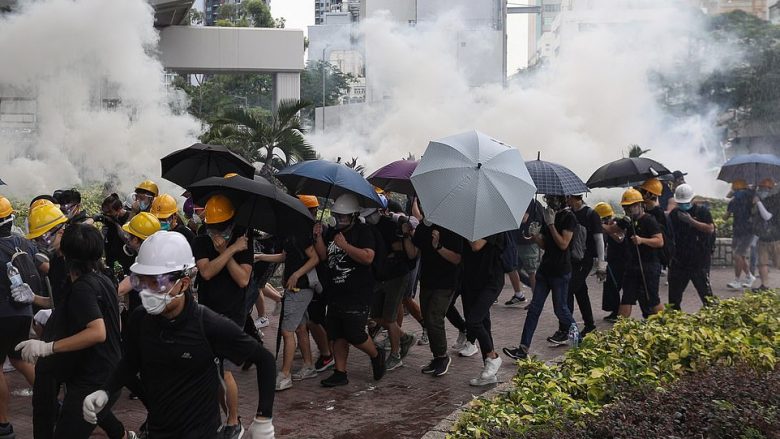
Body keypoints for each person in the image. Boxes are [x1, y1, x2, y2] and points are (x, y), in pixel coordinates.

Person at [81, 232, 276, 438]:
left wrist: (264, 418)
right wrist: (105, 390)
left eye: (156, 283)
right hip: (157, 431)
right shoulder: (140, 319)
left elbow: (265, 360)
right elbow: (131, 362)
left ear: (183, 283)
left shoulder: (207, 324)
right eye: (143, 282)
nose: (147, 292)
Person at [16, 223, 126, 439]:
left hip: (93, 380)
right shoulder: (103, 280)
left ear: (65, 253)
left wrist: (48, 347)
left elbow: (97, 332)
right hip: (103, 373)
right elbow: (115, 325)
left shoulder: (83, 287)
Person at [192, 195, 252, 439]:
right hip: (206, 312)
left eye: (220, 226)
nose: (215, 231)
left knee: (224, 369)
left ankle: (234, 421)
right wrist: (230, 251)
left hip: (232, 314)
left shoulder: (244, 239)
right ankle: (227, 415)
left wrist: (229, 248)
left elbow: (243, 279)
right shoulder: (200, 240)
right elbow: (206, 272)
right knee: (212, 370)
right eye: (211, 226)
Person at [314, 194, 385, 387]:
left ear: (353, 216)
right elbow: (323, 256)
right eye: (337, 215)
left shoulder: (364, 232)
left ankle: (376, 354)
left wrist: (345, 246)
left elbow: (368, 257)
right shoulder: (332, 232)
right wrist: (319, 236)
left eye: (343, 216)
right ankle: (340, 372)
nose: (339, 219)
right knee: (337, 333)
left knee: (354, 333)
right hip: (335, 291)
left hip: (358, 292)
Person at [503, 194, 577, 360]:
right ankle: (523, 349)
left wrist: (551, 225)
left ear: (561, 199)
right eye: (548, 199)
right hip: (545, 270)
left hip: (560, 271)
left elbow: (563, 244)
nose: (549, 202)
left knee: (561, 309)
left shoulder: (568, 217)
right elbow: (546, 245)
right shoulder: (548, 215)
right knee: (534, 310)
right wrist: (536, 236)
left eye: (552, 199)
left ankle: (578, 340)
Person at [255, 226, 319, 390]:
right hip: (295, 288)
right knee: (300, 328)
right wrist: (261, 256)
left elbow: (314, 258)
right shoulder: (288, 234)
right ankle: (308, 365)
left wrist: (297, 274)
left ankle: (285, 375)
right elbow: (284, 256)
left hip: (300, 289)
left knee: (287, 331)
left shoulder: (300, 233)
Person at [402, 206, 463, 377]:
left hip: (447, 281)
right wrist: (406, 234)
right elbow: (413, 253)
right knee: (428, 319)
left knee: (435, 317)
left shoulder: (452, 227)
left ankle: (443, 357)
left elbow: (457, 258)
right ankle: (437, 357)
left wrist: (438, 246)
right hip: (428, 280)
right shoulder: (423, 226)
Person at [0, 196, 39, 439]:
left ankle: (2, 424)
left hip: (2, 313)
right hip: (24, 311)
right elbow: (42, 266)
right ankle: (50, 401)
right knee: (18, 359)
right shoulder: (23, 242)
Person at [366, 205, 417, 371]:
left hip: (395, 274)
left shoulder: (389, 225)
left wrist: (384, 253)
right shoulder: (368, 227)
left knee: (389, 318)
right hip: (379, 275)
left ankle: (395, 355)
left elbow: (399, 249)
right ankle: (404, 337)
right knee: (376, 316)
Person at [605, 189, 664, 318]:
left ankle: (666, 323)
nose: (628, 211)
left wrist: (642, 240)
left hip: (648, 265)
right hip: (633, 264)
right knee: (627, 297)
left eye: (630, 207)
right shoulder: (627, 221)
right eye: (625, 208)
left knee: (652, 298)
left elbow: (659, 241)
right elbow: (612, 229)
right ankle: (620, 329)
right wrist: (596, 222)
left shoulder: (649, 220)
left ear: (639, 205)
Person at [552, 194, 603, 340]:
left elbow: (599, 239)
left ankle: (565, 329)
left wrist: (601, 263)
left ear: (575, 197)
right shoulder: (569, 213)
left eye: (568, 197)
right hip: (571, 259)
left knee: (567, 290)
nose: (565, 199)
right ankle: (590, 325)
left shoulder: (591, 214)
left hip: (585, 260)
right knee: (581, 291)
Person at [460, 230, 507, 387]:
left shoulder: (492, 226)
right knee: (484, 323)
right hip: (473, 279)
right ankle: (489, 373)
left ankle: (493, 358)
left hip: (491, 280)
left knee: (474, 321)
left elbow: (476, 245)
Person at [298, 196, 334, 373]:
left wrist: (317, 236)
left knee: (314, 319)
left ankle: (327, 354)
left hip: (319, 280)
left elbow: (323, 256)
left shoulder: (322, 229)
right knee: (312, 319)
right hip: (306, 281)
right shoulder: (298, 228)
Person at [667, 184, 715, 310]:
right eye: (680, 203)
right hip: (679, 261)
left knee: (706, 296)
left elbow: (710, 229)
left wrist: (691, 221)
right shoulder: (674, 214)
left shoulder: (702, 212)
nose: (683, 205)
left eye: (686, 202)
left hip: (699, 260)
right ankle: (674, 320)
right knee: (674, 297)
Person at [505, 199, 544, 306]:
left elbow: (523, 219)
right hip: (517, 240)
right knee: (512, 267)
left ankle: (536, 300)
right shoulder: (522, 199)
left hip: (527, 242)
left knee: (531, 271)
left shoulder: (528, 201)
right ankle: (519, 294)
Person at [594, 202, 626, 323]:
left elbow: (620, 238)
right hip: (612, 259)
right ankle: (614, 310)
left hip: (620, 260)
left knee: (615, 285)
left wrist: (608, 230)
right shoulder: (609, 224)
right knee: (611, 286)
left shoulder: (616, 223)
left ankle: (618, 312)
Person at [725, 180, 757, 289]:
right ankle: (749, 276)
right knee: (740, 255)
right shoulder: (750, 197)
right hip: (744, 230)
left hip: (745, 231)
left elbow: (725, 217)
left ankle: (737, 280)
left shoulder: (735, 200)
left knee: (738, 255)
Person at [752, 178, 780, 290]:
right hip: (763, 237)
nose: (761, 190)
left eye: (763, 188)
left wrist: (758, 202)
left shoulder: (774, 200)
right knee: (762, 263)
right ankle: (765, 285)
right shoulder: (768, 199)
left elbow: (767, 216)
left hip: (775, 237)